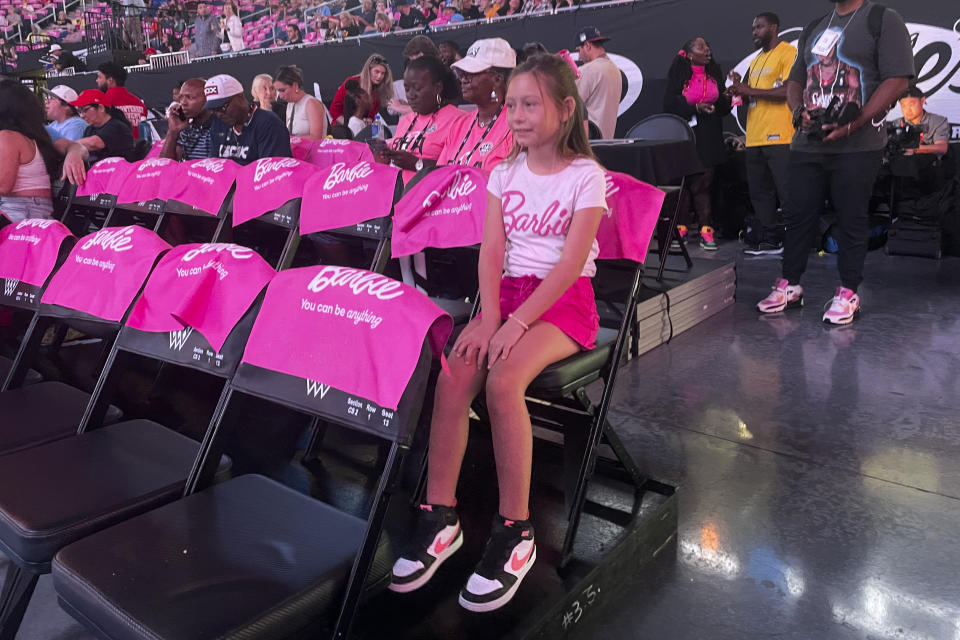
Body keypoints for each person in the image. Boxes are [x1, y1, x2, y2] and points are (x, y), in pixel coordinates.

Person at [389, 53, 607, 613]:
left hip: (562, 303)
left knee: (504, 381)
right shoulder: (503, 174)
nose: (516, 115)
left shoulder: (586, 176)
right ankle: (440, 515)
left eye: (529, 104)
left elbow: (568, 267)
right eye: (511, 105)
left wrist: (514, 323)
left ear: (564, 108)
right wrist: (488, 318)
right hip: (506, 298)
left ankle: (517, 531)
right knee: (455, 369)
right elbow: (492, 250)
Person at [757, 0, 914, 325]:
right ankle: (790, 284)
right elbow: (796, 81)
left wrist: (855, 122)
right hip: (807, 144)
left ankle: (848, 291)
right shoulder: (816, 26)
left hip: (858, 144)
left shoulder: (882, 19)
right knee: (798, 216)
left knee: (851, 217)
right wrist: (799, 112)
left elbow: (898, 79)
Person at [726, 12, 797, 255]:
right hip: (755, 136)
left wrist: (750, 90)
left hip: (780, 135)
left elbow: (789, 91)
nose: (754, 32)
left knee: (787, 191)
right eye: (753, 28)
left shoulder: (788, 53)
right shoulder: (756, 60)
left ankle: (796, 239)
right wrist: (739, 91)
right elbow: (752, 96)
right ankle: (770, 238)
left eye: (759, 27)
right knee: (760, 191)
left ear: (774, 27)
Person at [663, 37, 732, 250]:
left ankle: (706, 230)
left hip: (708, 136)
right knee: (684, 185)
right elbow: (669, 105)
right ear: (690, 54)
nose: (707, 50)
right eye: (701, 47)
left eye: (708, 46)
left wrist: (725, 99)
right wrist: (695, 108)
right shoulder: (679, 76)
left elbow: (723, 109)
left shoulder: (714, 74)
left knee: (704, 185)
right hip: (684, 136)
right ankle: (681, 227)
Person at [0, 80, 88, 222]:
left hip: (20, 213)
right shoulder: (34, 132)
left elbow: (4, 186)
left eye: (52, 99)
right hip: (34, 211)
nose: (47, 102)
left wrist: (74, 154)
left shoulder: (9, 136)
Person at [375, 55, 465, 181]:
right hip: (396, 195)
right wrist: (384, 157)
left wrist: (417, 164)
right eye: (407, 89)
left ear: (437, 88)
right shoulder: (405, 120)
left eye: (417, 88)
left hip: (432, 196)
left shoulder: (458, 120)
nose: (410, 95)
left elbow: (461, 170)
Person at [435, 38, 516, 173]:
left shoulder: (517, 125)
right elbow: (439, 175)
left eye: (471, 73)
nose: (463, 79)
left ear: (497, 79)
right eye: (461, 73)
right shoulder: (459, 125)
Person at [204, 74, 292, 164]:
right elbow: (214, 166)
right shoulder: (218, 124)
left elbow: (273, 171)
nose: (219, 114)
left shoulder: (269, 124)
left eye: (222, 107)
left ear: (240, 97)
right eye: (213, 110)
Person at [573, 26, 621, 139]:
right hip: (607, 142)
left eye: (579, 50)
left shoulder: (587, 70)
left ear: (587, 46)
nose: (579, 57)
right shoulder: (615, 70)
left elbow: (570, 106)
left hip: (586, 143)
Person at [72, 89, 135, 163]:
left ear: (101, 108)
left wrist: (67, 146)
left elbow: (93, 144)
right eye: (79, 111)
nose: (82, 115)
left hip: (120, 171)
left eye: (85, 110)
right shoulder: (89, 130)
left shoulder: (117, 126)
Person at [160, 78, 215, 161]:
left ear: (207, 99)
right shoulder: (186, 129)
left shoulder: (220, 127)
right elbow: (165, 165)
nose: (183, 103)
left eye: (189, 97)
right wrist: (173, 131)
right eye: (181, 98)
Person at [330, 54, 394, 122]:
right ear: (368, 70)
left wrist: (368, 121)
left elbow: (371, 116)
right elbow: (334, 111)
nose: (379, 76)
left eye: (383, 73)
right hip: (341, 128)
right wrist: (349, 127)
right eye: (377, 72)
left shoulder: (379, 91)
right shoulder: (352, 83)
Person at [96, 62, 148, 139]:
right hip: (141, 148)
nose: (97, 80)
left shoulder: (101, 103)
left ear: (110, 80)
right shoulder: (139, 103)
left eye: (99, 77)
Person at [274, 65, 328, 139]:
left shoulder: (311, 104)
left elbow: (316, 138)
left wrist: (290, 140)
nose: (280, 96)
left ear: (295, 86)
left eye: (283, 90)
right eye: (278, 91)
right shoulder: (290, 104)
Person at [895, 86, 949, 156]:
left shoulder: (938, 122)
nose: (907, 110)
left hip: (929, 164)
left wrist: (914, 149)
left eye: (911, 104)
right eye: (903, 105)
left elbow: (942, 148)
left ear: (922, 101)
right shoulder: (896, 124)